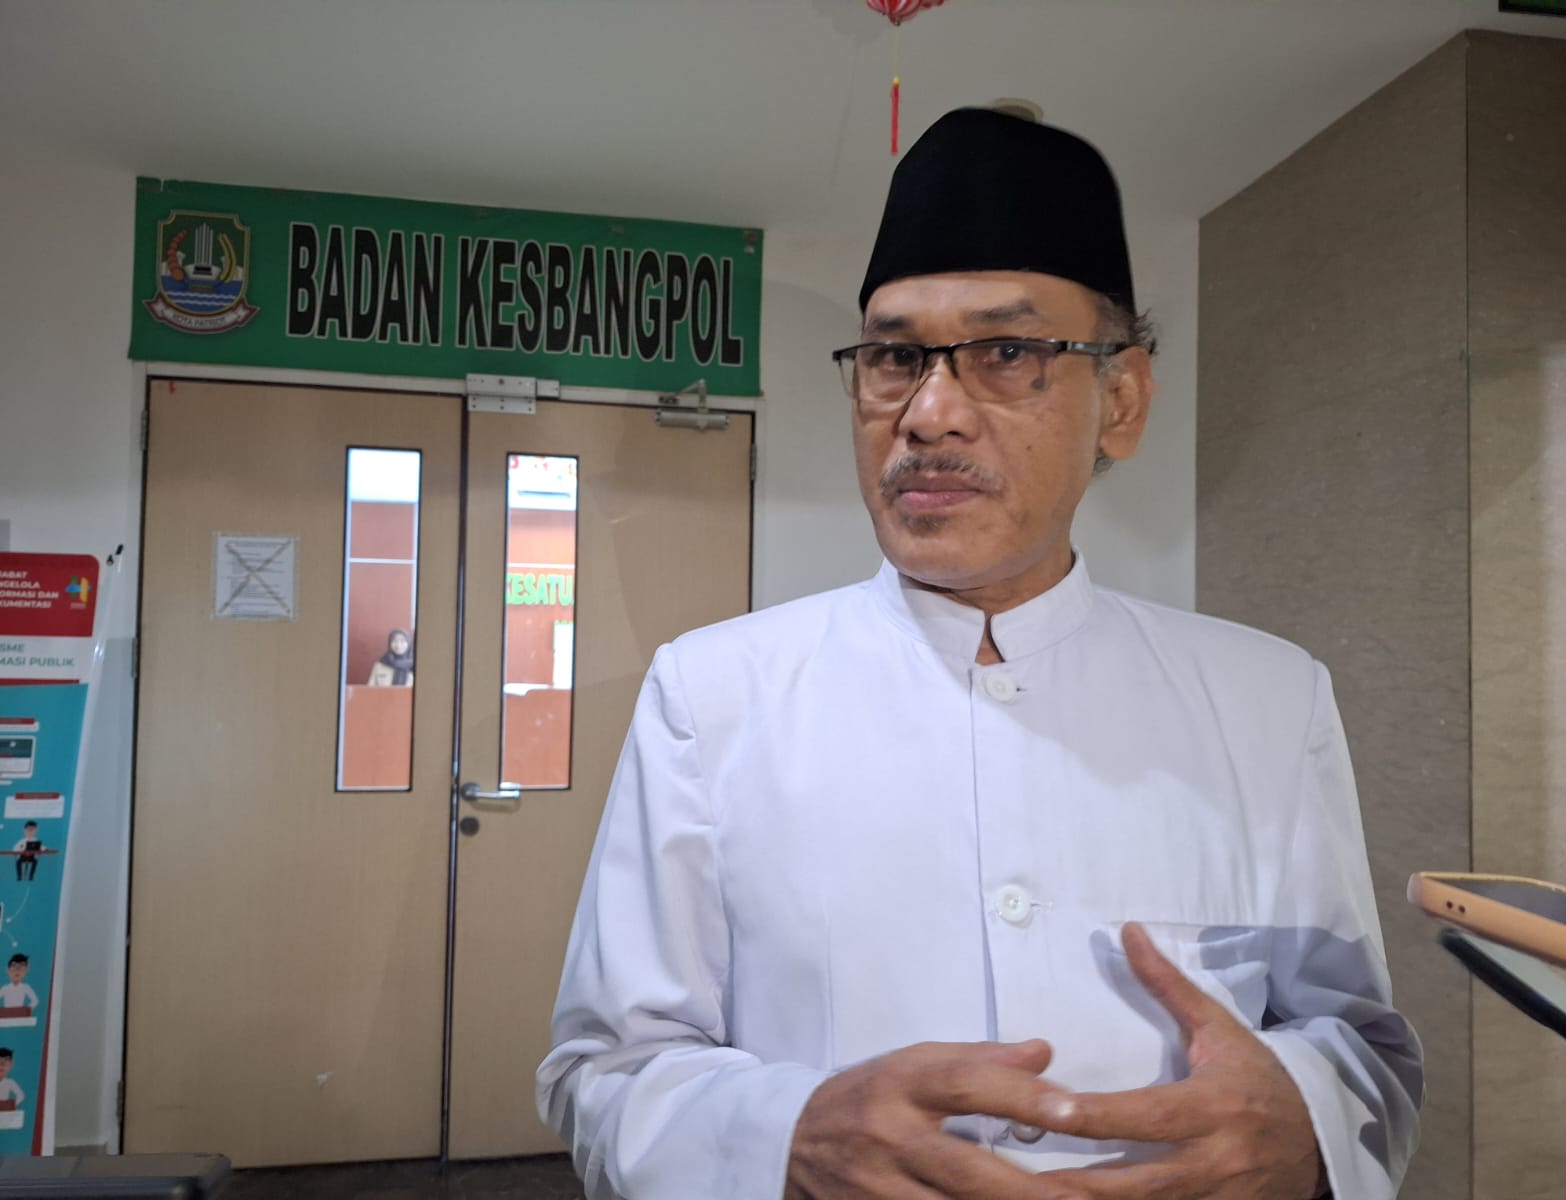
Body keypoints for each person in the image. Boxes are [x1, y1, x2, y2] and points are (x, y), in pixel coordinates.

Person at [537, 107, 1423, 1200]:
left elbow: (1361, 1046)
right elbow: (605, 1071)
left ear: (1122, 401)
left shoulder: (1266, 698)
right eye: (893, 357)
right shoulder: (714, 693)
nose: (929, 414)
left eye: (1006, 353)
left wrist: (1304, 1122)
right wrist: (785, 1137)